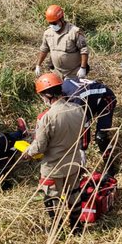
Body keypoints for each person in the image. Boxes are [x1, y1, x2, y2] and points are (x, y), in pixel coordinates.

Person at [23, 73, 87, 231]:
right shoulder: (78, 109)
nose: (42, 99)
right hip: (73, 163)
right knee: (74, 194)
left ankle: (57, 230)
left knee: (52, 198)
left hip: (53, 167)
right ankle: (76, 227)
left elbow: (39, 147)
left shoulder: (46, 117)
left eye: (42, 95)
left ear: (48, 94)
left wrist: (27, 152)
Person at [62, 77, 118, 177]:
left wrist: (82, 149)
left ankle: (110, 167)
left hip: (106, 98)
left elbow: (85, 124)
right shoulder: (64, 87)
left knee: (101, 137)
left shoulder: (76, 99)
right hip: (91, 97)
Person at [35, 5, 89, 80]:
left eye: (54, 23)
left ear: (62, 19)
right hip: (56, 72)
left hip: (74, 72)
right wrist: (38, 65)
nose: (53, 25)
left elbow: (84, 50)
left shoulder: (74, 32)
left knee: (73, 91)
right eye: (50, 23)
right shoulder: (48, 33)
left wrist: (83, 68)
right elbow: (44, 49)